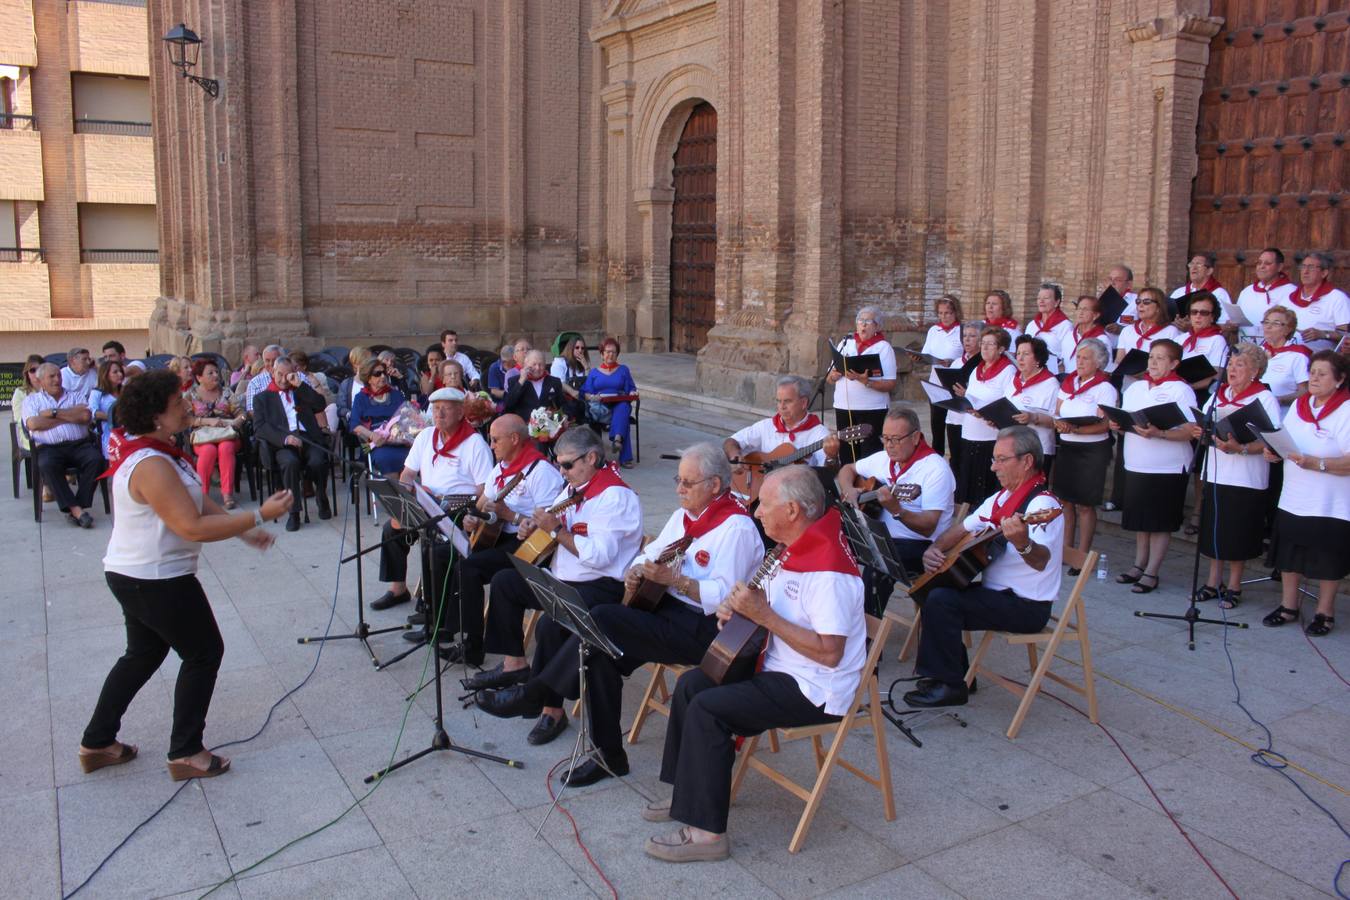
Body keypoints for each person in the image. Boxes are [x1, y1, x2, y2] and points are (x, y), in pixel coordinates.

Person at [476, 443, 762, 775]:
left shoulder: (736, 528)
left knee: (603, 619)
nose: (679, 489)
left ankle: (537, 691)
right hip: (664, 609)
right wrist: (637, 570)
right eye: (677, 480)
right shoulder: (685, 517)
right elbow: (651, 551)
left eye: (688, 483)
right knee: (600, 655)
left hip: (705, 628)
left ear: (715, 485)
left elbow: (725, 597)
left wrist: (676, 579)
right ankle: (608, 756)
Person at [641, 466, 865, 863]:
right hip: (779, 664)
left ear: (793, 510)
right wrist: (739, 612)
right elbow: (771, 607)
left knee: (710, 710)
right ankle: (685, 794)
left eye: (764, 504)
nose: (756, 511)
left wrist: (763, 617)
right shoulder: (791, 547)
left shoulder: (829, 569)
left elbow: (830, 653)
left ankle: (708, 835)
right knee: (694, 684)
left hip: (812, 686)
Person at [78, 369, 293, 782]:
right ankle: (186, 751)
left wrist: (244, 530)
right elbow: (191, 527)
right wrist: (258, 513)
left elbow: (196, 500)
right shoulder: (151, 464)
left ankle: (98, 741)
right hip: (156, 578)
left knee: (143, 654)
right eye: (178, 404)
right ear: (156, 415)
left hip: (138, 573)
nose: (187, 407)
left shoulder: (159, 451)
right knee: (203, 652)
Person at [468, 428, 643, 737]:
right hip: (566, 578)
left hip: (601, 586)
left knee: (551, 624)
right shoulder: (577, 486)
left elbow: (600, 556)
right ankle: (515, 664)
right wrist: (529, 527)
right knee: (506, 580)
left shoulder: (615, 496)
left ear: (591, 457)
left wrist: (556, 532)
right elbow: (550, 521)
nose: (562, 471)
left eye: (567, 465)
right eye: (559, 464)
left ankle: (550, 709)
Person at [904, 425, 1064, 708]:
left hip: (1026, 605)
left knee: (943, 601)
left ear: (1027, 461)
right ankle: (956, 675)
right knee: (934, 590)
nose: (993, 467)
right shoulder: (1003, 498)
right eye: (994, 459)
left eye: (1001, 459)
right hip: (998, 595)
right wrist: (935, 549)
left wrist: (1023, 542)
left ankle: (951, 686)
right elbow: (963, 527)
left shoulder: (1042, 505)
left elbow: (1041, 561)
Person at [433, 414, 565, 659]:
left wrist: (512, 516)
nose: (491, 445)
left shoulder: (540, 471)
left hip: (527, 546)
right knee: (444, 552)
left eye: (495, 440)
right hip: (498, 537)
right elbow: (483, 506)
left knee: (469, 567)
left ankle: (472, 647)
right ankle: (445, 626)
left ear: (514, 439)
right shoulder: (501, 468)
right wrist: (473, 519)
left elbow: (549, 527)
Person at [370, 387, 494, 645]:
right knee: (391, 529)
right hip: (426, 502)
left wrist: (461, 510)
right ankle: (399, 589)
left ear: (461, 411)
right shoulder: (426, 436)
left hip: (457, 508)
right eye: (435, 408)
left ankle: (433, 615)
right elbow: (407, 474)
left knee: (433, 549)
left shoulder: (475, 444)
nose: (439, 413)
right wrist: (405, 498)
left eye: (446, 408)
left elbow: (484, 491)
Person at [1184, 344, 1279, 610]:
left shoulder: (1264, 398)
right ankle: (1214, 581)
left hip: (1246, 476)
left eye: (1240, 365)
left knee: (1237, 531)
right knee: (1215, 528)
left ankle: (1235, 584)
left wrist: (1243, 448)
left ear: (1255, 371)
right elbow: (1206, 424)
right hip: (1217, 471)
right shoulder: (1219, 395)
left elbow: (1271, 440)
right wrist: (1199, 432)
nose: (1233, 370)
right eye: (1232, 364)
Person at [1261, 350, 1349, 637]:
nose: (1314, 377)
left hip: (1330, 503)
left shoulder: (1346, 410)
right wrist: (1273, 451)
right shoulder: (1301, 405)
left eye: (1323, 374)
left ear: (1340, 380)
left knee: (1327, 559)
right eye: (1312, 372)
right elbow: (1286, 442)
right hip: (1294, 497)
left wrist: (1318, 463)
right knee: (1289, 555)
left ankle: (1325, 611)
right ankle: (1289, 606)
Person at [837, 403, 955, 610]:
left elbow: (929, 526)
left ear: (916, 437)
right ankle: (839, 616)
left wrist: (897, 511)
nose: (888, 445)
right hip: (879, 537)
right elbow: (848, 469)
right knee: (832, 545)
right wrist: (849, 489)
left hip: (921, 546)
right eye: (885, 438)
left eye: (896, 439)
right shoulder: (883, 459)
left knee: (877, 569)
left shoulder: (935, 469)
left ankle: (867, 634)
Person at [1110, 340, 1197, 594]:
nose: (1154, 363)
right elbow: (1128, 419)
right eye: (1152, 357)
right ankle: (1138, 564)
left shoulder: (1181, 390)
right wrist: (1119, 424)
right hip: (1138, 462)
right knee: (1142, 520)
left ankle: (1152, 571)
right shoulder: (1137, 388)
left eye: (1161, 358)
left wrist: (1159, 433)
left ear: (1174, 363)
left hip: (1166, 467)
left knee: (1159, 521)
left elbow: (1191, 432)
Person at [1051, 339, 1117, 569]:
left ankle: (1082, 555)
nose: (1080, 361)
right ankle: (1065, 549)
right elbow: (1057, 412)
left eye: (1086, 358)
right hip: (1068, 446)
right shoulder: (1068, 383)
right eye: (1078, 357)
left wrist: (1077, 429)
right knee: (1065, 501)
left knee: (1085, 505)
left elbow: (1105, 424)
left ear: (1098, 362)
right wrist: (1060, 425)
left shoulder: (1105, 388)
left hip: (1092, 449)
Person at [723, 375, 840, 503]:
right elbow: (731, 441)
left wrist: (831, 457)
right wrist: (735, 455)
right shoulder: (766, 426)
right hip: (758, 494)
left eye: (787, 401)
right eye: (778, 401)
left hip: (796, 499)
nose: (781, 407)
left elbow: (829, 473)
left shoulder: (819, 434)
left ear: (803, 403)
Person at [251, 357, 331, 531]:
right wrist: (285, 439)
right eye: (279, 374)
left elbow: (320, 405)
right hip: (283, 442)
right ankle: (294, 512)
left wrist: (300, 386)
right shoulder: (262, 398)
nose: (282, 379)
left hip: (307, 437)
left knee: (318, 460)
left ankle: (321, 495)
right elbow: (260, 427)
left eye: (287, 375)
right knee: (290, 462)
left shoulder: (300, 391)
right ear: (272, 372)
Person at [23, 362, 101, 527]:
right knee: (46, 465)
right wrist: (71, 415)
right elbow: (34, 424)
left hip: (79, 444)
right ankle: (76, 510)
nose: (57, 379)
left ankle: (76, 508)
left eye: (59, 375)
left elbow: (86, 416)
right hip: (49, 448)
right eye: (51, 376)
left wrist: (53, 414)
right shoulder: (32, 401)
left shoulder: (76, 395)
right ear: (41, 380)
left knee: (97, 460)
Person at [953, 326, 1015, 505]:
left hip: (990, 436)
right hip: (970, 432)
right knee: (969, 484)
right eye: (983, 343)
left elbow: (1007, 405)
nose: (985, 348)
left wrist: (982, 411)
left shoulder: (1007, 371)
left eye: (990, 344)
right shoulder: (977, 369)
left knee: (986, 486)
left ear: (1001, 349)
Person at [827, 306, 896, 461]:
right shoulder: (845, 344)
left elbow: (891, 384)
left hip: (871, 410)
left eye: (868, 321)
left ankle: (868, 486)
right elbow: (829, 378)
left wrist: (866, 381)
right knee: (846, 454)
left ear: (877, 326)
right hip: (844, 407)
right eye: (860, 321)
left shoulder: (883, 348)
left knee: (869, 456)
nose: (863, 325)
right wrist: (834, 375)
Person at [185, 360, 246, 509]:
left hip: (227, 434)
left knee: (225, 447)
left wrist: (237, 421)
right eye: (210, 373)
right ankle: (203, 496)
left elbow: (242, 413)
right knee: (208, 450)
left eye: (216, 372)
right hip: (203, 436)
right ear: (199, 377)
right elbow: (186, 419)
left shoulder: (226, 392)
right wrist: (207, 421)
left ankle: (227, 494)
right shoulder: (190, 396)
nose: (215, 375)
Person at [1006, 336, 1059, 478]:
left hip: (1037, 448)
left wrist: (1033, 417)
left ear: (1038, 359)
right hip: (1012, 446)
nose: (1020, 358)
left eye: (1026, 354)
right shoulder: (1013, 380)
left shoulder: (1050, 384)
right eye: (1018, 353)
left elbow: (1057, 421)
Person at [580, 338, 639, 466]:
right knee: (623, 419)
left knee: (623, 407)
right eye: (607, 352)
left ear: (617, 354)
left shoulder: (623, 370)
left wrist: (632, 392)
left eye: (613, 352)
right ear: (602, 354)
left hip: (619, 403)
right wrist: (592, 397)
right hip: (600, 407)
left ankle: (617, 439)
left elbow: (631, 388)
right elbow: (585, 392)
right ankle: (624, 456)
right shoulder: (594, 372)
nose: (610, 354)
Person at [348, 357, 410, 476]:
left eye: (384, 373)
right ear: (369, 378)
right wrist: (372, 435)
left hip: (399, 441)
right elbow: (355, 425)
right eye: (377, 374)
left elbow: (407, 417)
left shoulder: (396, 395)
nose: (382, 376)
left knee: (417, 457)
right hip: (376, 443)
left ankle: (407, 491)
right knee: (386, 458)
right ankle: (395, 494)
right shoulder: (361, 398)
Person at [920, 295, 964, 457]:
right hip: (936, 384)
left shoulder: (962, 331)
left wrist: (951, 361)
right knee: (936, 427)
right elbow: (926, 353)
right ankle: (936, 459)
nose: (944, 317)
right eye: (941, 313)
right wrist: (919, 358)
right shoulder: (934, 330)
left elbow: (967, 357)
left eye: (948, 313)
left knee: (954, 427)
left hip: (954, 384)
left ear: (956, 313)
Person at [1289, 252, 1349, 352]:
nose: (1305, 271)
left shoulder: (1337, 298)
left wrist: (1323, 334)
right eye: (1303, 267)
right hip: (1286, 354)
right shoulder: (1289, 297)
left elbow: (1346, 336)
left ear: (1324, 273)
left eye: (1311, 267)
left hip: (1318, 359)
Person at [942, 322, 982, 474]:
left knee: (967, 460)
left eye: (972, 336)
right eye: (964, 336)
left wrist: (966, 393)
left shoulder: (981, 364)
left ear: (981, 340)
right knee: (955, 457)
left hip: (968, 417)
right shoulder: (957, 362)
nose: (967, 340)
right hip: (953, 416)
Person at [1234, 247, 1296, 342]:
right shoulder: (1247, 292)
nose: (1261, 266)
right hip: (1247, 350)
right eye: (1259, 263)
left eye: (1267, 263)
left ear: (1279, 267)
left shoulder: (1292, 292)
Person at [1260, 305, 1311, 416]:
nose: (1268, 327)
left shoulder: (1298, 356)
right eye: (1266, 322)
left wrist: (1280, 400)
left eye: (1276, 323)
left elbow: (1305, 391)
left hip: (1283, 416)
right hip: (1256, 414)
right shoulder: (1258, 351)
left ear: (1287, 330)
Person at [1178, 291, 1228, 400]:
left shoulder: (1217, 340)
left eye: (1204, 313)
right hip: (1177, 391)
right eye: (1194, 312)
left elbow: (1218, 375)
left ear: (1212, 317)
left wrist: (1190, 387)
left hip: (1202, 394)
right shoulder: (1180, 338)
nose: (1198, 316)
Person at [503, 349, 568, 426]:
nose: (537, 368)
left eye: (541, 364)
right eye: (534, 364)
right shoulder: (515, 381)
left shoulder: (554, 381)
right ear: (525, 365)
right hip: (524, 427)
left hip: (549, 427)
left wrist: (561, 417)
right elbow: (508, 406)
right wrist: (521, 381)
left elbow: (563, 406)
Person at [1060, 293, 1117, 372]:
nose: (1081, 312)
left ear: (1096, 315)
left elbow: (1106, 370)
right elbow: (1062, 362)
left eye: (1085, 309)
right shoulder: (1068, 335)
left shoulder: (1102, 340)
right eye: (1079, 308)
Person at [1024, 283, 1073, 374]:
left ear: (1056, 302)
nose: (1041, 301)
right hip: (1031, 373)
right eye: (1039, 298)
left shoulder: (1065, 326)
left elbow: (1068, 356)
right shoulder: (1032, 325)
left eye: (1046, 298)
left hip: (1053, 374)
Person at [1170, 252, 1230, 325]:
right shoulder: (1179, 292)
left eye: (1199, 264)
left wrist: (1193, 326)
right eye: (1191, 264)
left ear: (1209, 271)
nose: (1194, 267)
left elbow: (1224, 324)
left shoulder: (1219, 293)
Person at [10, 353, 46, 456]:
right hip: (30, 434)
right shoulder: (20, 392)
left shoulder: (52, 389)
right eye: (32, 370)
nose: (36, 373)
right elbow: (19, 419)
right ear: (27, 374)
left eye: (39, 369)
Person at [87, 359, 124, 458]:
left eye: (120, 371)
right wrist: (114, 417)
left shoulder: (126, 391)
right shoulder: (97, 393)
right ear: (105, 375)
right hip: (107, 433)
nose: (120, 374)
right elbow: (93, 412)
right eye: (115, 372)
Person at [550, 331, 590, 421]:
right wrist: (573, 392)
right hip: (565, 399)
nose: (580, 350)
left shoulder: (580, 364)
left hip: (581, 397)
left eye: (582, 348)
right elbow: (559, 382)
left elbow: (590, 382)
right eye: (577, 348)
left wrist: (586, 366)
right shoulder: (559, 362)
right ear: (570, 348)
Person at [244, 344, 285, 413]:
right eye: (267, 360)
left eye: (275, 360)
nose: (271, 364)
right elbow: (252, 411)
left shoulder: (295, 378)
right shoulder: (255, 383)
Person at [1103, 264, 1140, 334]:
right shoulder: (1101, 301)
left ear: (1129, 284)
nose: (1112, 283)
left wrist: (1121, 329)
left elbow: (1146, 325)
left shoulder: (1138, 301)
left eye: (1117, 280)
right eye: (1110, 279)